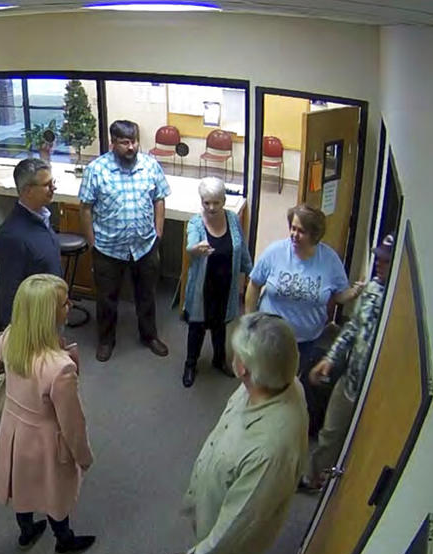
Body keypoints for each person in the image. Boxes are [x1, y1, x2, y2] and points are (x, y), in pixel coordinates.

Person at [180, 312, 308, 554]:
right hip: (212, 503)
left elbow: (235, 526)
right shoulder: (277, 381)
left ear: (242, 368)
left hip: (223, 550)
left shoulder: (269, 452)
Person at [0, 274, 96, 554]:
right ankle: (64, 539)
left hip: (13, 431)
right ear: (48, 315)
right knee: (54, 491)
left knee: (20, 485)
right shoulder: (60, 368)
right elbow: (73, 424)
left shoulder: (11, 336)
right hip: (46, 441)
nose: (70, 305)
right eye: (64, 303)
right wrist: (83, 456)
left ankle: (26, 531)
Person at [244, 204, 363, 435]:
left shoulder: (329, 260)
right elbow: (254, 283)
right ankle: (256, 422)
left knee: (289, 384)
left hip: (305, 340)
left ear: (315, 234)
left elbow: (338, 295)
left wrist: (354, 293)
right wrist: (250, 320)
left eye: (301, 231)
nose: (293, 235)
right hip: (270, 334)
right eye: (292, 228)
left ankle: (278, 426)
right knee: (262, 379)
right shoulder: (276, 252)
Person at [301, 233, 394, 491]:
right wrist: (330, 359)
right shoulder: (373, 288)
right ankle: (313, 479)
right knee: (329, 433)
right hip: (351, 380)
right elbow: (353, 327)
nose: (379, 264)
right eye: (379, 259)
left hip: (378, 393)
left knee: (365, 446)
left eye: (386, 261)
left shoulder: (398, 302)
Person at [79, 119, 171, 362]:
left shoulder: (150, 166)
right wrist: (92, 243)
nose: (131, 147)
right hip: (108, 248)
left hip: (145, 246)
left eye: (135, 141)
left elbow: (159, 198)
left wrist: (158, 232)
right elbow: (85, 208)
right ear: (113, 143)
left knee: (147, 295)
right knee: (107, 299)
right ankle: (106, 340)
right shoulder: (96, 170)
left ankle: (149, 336)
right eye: (125, 142)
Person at [182, 177, 253, 388]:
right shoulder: (196, 222)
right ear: (201, 201)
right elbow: (190, 246)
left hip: (226, 285)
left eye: (216, 202)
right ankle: (190, 364)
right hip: (203, 287)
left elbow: (242, 250)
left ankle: (219, 360)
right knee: (197, 327)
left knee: (220, 326)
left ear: (224, 200)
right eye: (206, 202)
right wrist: (196, 249)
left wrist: (251, 274)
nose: (211, 208)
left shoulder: (233, 219)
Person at [0, 158, 62, 326]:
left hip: (51, 310)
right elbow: (10, 293)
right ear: (28, 191)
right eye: (47, 185)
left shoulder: (42, 217)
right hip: (34, 322)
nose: (53, 188)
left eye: (52, 182)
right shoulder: (11, 236)